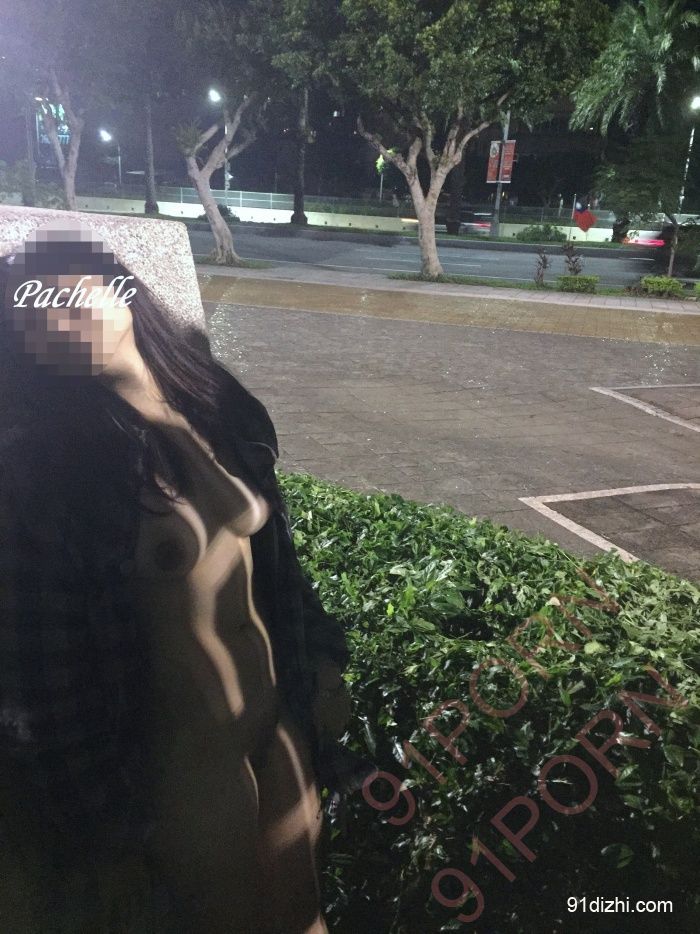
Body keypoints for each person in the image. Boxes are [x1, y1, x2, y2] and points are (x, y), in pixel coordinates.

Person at [0, 207, 376, 933]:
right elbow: (39, 682)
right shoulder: (53, 473)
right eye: (37, 316)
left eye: (73, 291)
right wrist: (107, 835)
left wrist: (323, 663)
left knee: (307, 918)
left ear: (121, 289)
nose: (65, 318)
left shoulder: (213, 408)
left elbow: (277, 568)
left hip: (280, 724)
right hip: (191, 766)